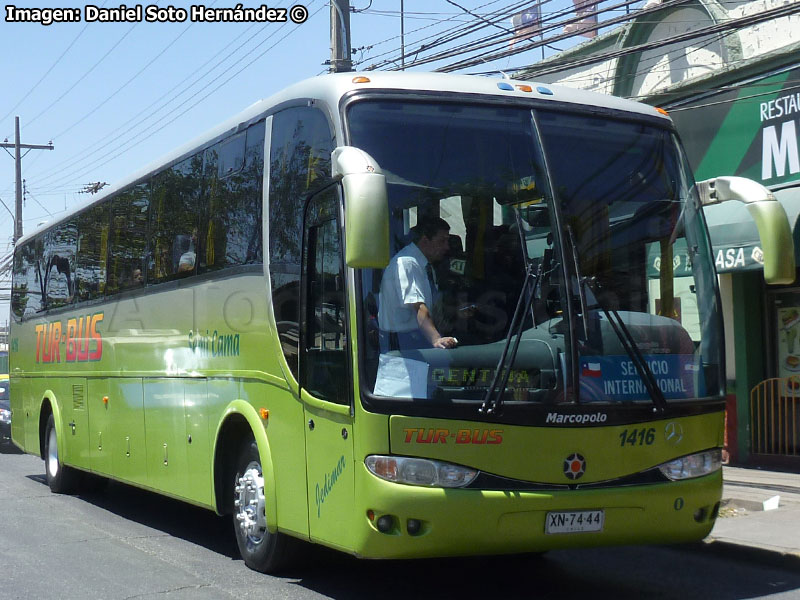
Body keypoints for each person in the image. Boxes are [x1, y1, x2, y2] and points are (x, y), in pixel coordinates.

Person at [378, 216, 458, 351]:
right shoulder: (407, 262)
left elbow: (431, 306)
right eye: (442, 241)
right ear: (425, 241)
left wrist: (456, 311)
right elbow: (419, 307)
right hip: (404, 343)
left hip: (418, 337)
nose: (447, 247)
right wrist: (436, 339)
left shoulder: (425, 265)